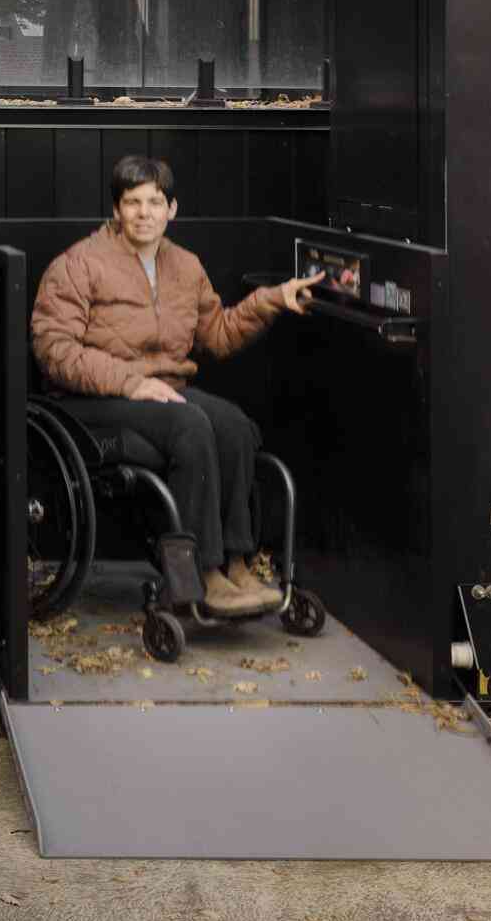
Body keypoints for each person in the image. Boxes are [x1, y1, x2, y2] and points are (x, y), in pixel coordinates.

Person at [30, 153, 320, 618]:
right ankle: (199, 574)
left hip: (161, 392)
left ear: (172, 209)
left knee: (234, 426)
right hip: (92, 401)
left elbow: (218, 335)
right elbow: (53, 350)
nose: (145, 213)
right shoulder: (79, 264)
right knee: (190, 425)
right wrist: (129, 383)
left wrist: (271, 301)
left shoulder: (185, 266)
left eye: (155, 202)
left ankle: (237, 562)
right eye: (133, 202)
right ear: (117, 209)